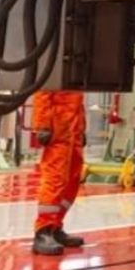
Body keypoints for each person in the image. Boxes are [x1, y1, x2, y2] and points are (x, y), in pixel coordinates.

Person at [32, 89, 88, 256]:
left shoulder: (75, 70)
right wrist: (42, 125)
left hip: (73, 132)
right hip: (57, 132)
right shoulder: (53, 65)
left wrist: (82, 128)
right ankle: (43, 231)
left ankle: (55, 227)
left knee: (72, 180)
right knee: (54, 180)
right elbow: (42, 92)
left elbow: (78, 102)